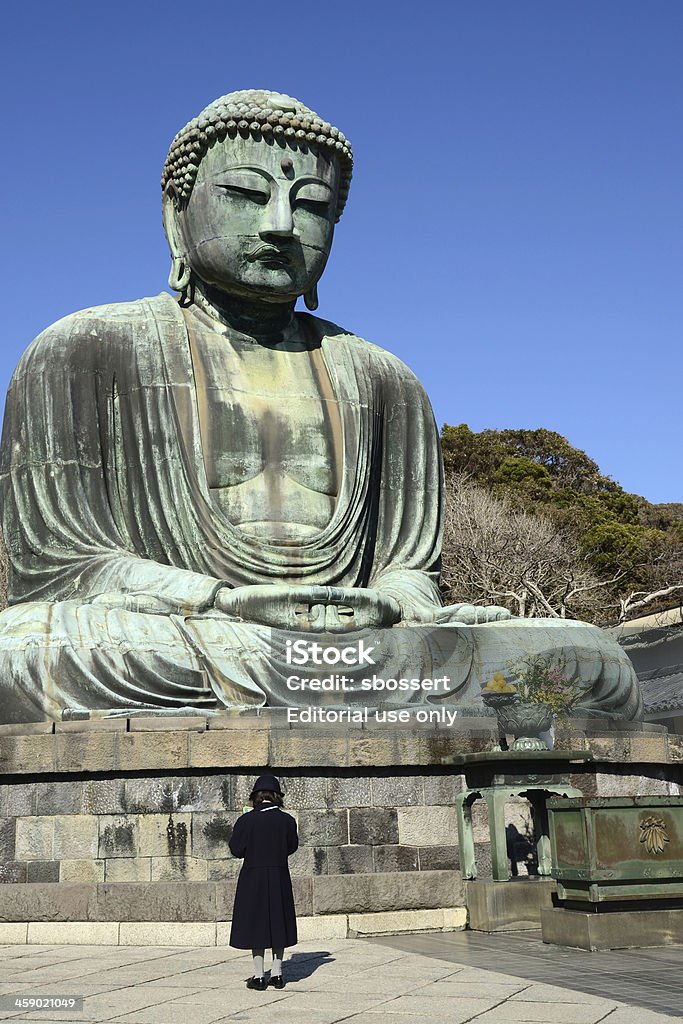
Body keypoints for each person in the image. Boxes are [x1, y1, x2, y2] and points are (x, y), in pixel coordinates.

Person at [0, 88, 643, 724]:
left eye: (311, 205)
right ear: (176, 212)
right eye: (247, 195)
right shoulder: (82, 351)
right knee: (32, 651)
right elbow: (62, 570)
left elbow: (409, 571)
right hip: (194, 633)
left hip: (359, 645)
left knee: (584, 660)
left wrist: (393, 604)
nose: (279, 225)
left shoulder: (385, 380)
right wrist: (224, 601)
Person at [229, 775, 298, 990]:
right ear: (277, 797)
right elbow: (292, 847)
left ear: (256, 797)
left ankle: (259, 976)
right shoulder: (287, 820)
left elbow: (236, 850)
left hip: (253, 877)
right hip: (278, 875)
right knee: (278, 923)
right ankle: (277, 974)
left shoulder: (246, 820)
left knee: (256, 924)